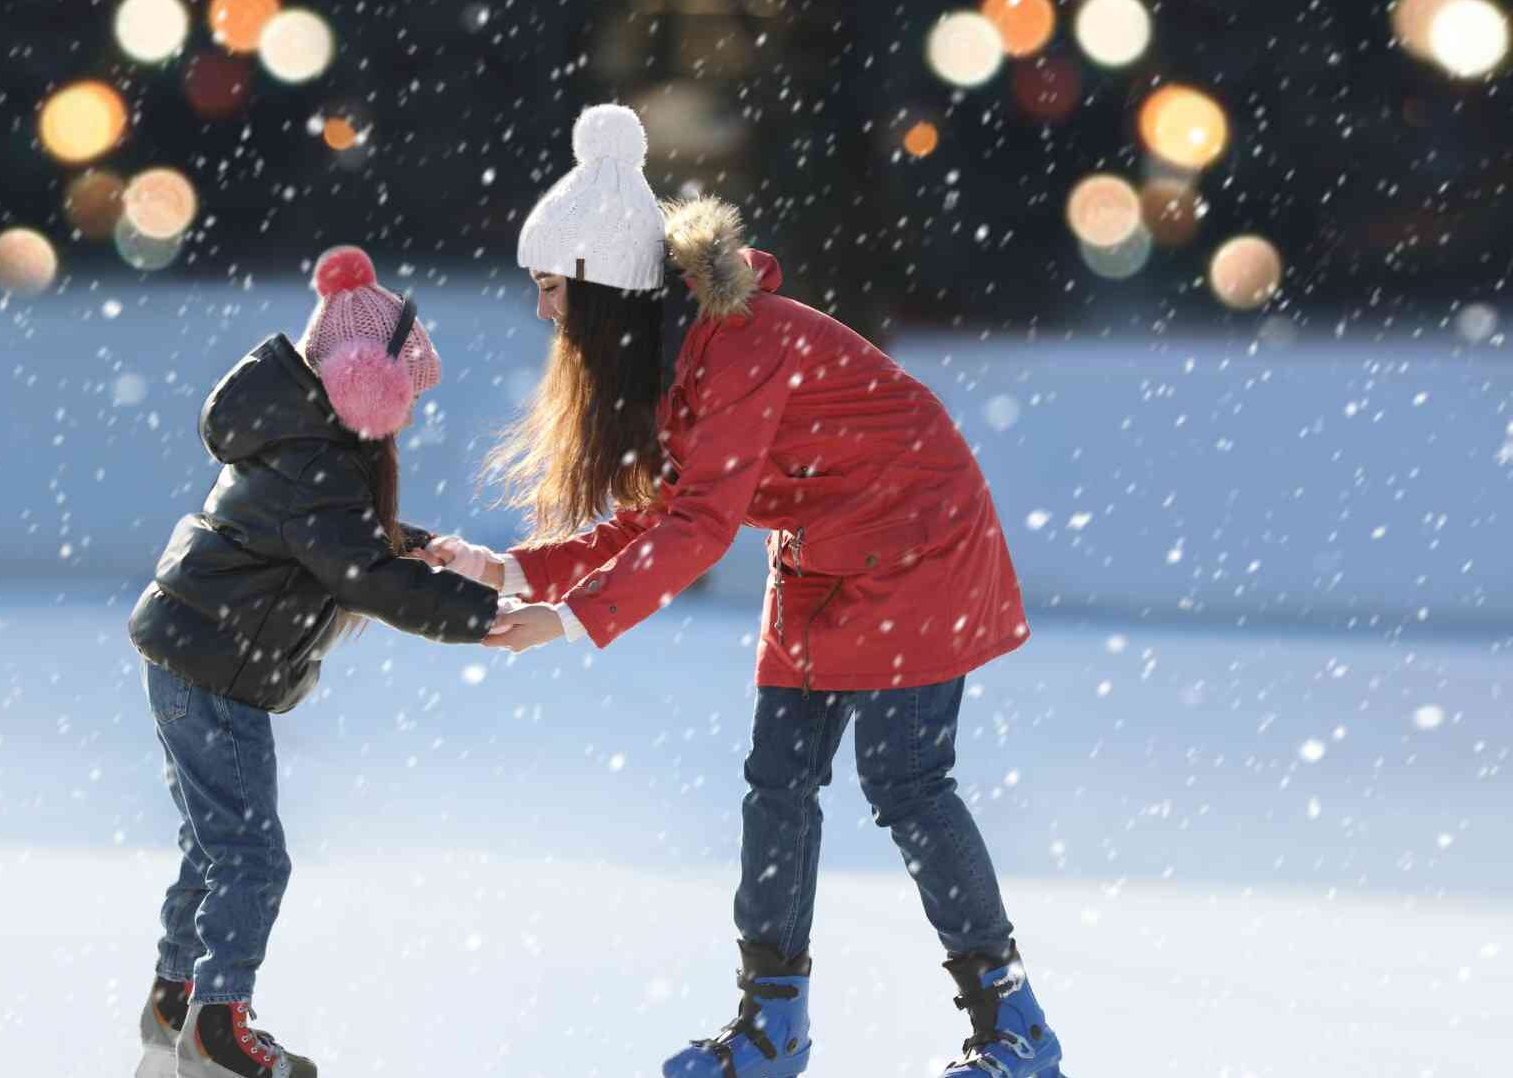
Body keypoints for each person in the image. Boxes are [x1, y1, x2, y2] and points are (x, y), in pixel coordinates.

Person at [425, 104, 1066, 1078]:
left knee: (906, 783)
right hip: (821, 559)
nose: (544, 311)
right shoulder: (667, 356)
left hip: (919, 544)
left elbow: (701, 528)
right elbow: (666, 505)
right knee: (777, 786)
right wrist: (517, 571)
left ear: (607, 286)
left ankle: (1015, 1032)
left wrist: (568, 621)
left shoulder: (739, 344)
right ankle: (773, 1027)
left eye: (553, 288)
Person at [126, 246, 499, 1078]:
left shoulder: (302, 442)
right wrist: (482, 617)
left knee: (215, 844)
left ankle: (176, 999)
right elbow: (356, 569)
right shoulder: (319, 460)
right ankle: (218, 1029)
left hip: (196, 655)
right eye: (402, 393)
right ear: (362, 380)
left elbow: (335, 540)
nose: (403, 416)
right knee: (252, 854)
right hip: (212, 668)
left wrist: (410, 545)